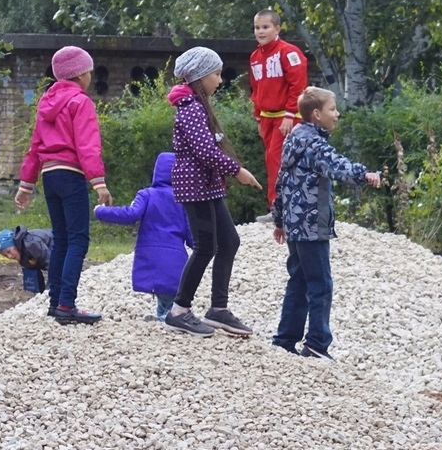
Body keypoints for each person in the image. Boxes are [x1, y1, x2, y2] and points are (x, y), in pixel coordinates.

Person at [270, 86, 381, 359]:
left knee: (298, 281)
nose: (337, 114)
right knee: (321, 284)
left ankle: (285, 339)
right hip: (312, 224)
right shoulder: (315, 144)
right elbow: (336, 165)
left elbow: (282, 181)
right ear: (317, 114)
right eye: (333, 109)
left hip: (295, 226)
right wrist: (363, 174)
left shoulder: (293, 139)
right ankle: (317, 343)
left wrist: (279, 219)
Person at [165, 46, 263, 337]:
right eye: (217, 74)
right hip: (194, 185)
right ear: (200, 76)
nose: (220, 81)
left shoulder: (198, 104)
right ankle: (179, 310)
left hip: (206, 186)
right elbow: (206, 152)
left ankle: (218, 310)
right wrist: (238, 171)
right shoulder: (192, 108)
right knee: (206, 246)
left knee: (229, 241)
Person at [15, 46, 113, 325]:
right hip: (71, 175)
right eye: (90, 71)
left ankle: (54, 301)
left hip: (49, 176)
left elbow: (34, 147)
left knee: (60, 239)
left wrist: (26, 184)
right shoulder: (81, 103)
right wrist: (99, 182)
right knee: (78, 239)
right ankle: (67, 305)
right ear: (81, 74)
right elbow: (87, 144)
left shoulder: (46, 103)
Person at [94, 152, 194, 321]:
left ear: (157, 172)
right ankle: (166, 317)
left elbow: (130, 214)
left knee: (164, 295)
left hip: (151, 256)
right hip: (176, 259)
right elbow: (191, 235)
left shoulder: (147, 194)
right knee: (170, 294)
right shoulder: (184, 200)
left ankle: (164, 318)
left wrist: (101, 211)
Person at [249, 9, 309, 210]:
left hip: (287, 116)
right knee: (271, 159)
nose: (260, 31)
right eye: (257, 27)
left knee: (277, 158)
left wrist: (290, 114)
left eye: (265, 27)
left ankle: (279, 207)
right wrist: (258, 117)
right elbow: (256, 88)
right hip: (267, 117)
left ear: (277, 28)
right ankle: (279, 206)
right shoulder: (255, 56)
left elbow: (298, 84)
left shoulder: (289, 52)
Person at [0, 226, 54, 294]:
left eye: (8, 251)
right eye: (5, 255)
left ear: (14, 243)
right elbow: (33, 278)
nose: (9, 256)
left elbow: (53, 266)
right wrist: (39, 294)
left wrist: (49, 291)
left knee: (56, 283)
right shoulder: (19, 253)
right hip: (51, 258)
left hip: (61, 244)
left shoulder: (31, 244)